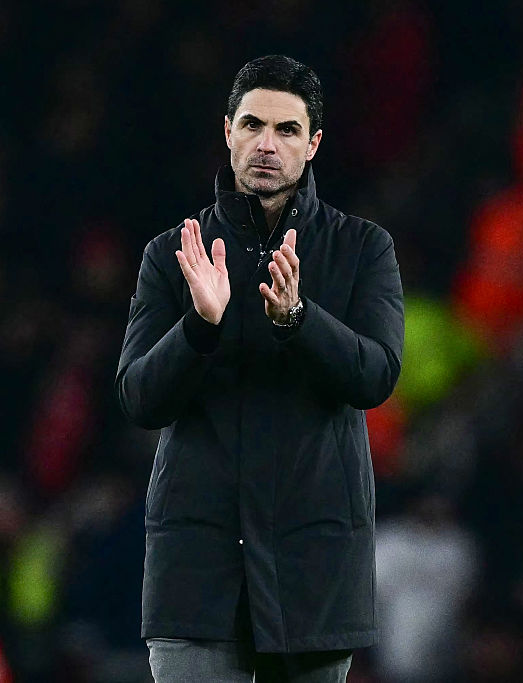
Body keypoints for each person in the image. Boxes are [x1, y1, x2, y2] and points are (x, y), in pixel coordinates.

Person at [115, 54, 404, 682]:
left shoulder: (363, 249)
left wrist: (299, 320)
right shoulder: (172, 255)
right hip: (197, 573)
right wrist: (198, 326)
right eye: (252, 125)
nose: (266, 145)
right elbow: (139, 398)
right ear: (228, 132)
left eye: (286, 129)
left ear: (314, 144)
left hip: (312, 570)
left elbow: (376, 376)